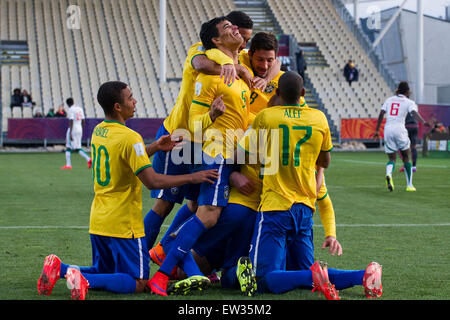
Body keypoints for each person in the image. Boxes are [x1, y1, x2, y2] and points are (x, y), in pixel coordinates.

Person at [37, 81, 219, 300]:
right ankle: (84, 280)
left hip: (99, 219)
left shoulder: (99, 131)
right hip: (123, 222)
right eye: (130, 97)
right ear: (117, 107)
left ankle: (62, 268)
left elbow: (124, 159)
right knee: (138, 282)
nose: (135, 101)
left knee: (107, 272)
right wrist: (193, 177)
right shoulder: (130, 137)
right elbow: (152, 181)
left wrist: (154, 146)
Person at [232, 71, 382, 300]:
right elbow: (325, 161)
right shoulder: (318, 118)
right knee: (302, 273)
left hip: (276, 206)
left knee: (262, 279)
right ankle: (363, 275)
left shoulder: (266, 117)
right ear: (303, 93)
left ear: (278, 93)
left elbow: (240, 155)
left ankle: (316, 277)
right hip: (304, 209)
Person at [148, 16, 251, 296]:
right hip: (193, 143)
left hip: (218, 151)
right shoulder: (206, 66)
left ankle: (169, 257)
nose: (236, 31)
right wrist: (212, 116)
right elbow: (194, 123)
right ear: (216, 40)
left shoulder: (238, 71)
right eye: (228, 28)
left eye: (237, 28)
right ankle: (157, 268)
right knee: (197, 212)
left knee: (196, 207)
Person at [374, 81, 429, 192]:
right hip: (400, 129)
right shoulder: (409, 102)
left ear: (397, 91)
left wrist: (376, 130)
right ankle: (409, 185)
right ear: (408, 92)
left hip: (388, 129)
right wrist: (423, 122)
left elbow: (381, 114)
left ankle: (389, 174)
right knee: (406, 158)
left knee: (392, 158)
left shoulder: (389, 100)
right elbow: (413, 113)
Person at [60, 98, 92, 170]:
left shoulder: (71, 109)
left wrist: (71, 132)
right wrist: (81, 129)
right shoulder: (80, 109)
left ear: (68, 104)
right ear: (73, 102)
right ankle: (88, 159)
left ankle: (68, 165)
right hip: (79, 128)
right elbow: (83, 120)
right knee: (77, 147)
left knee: (69, 146)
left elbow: (71, 121)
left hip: (73, 128)